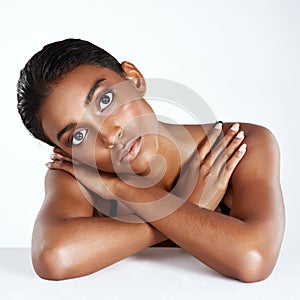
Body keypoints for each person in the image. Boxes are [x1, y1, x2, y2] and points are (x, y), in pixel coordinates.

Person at [17, 38, 285, 282]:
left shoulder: (237, 144)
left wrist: (126, 191)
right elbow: (54, 257)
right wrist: (185, 204)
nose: (110, 136)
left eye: (105, 100)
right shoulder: (76, 175)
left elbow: (253, 258)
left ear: (134, 79)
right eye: (78, 136)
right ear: (66, 153)